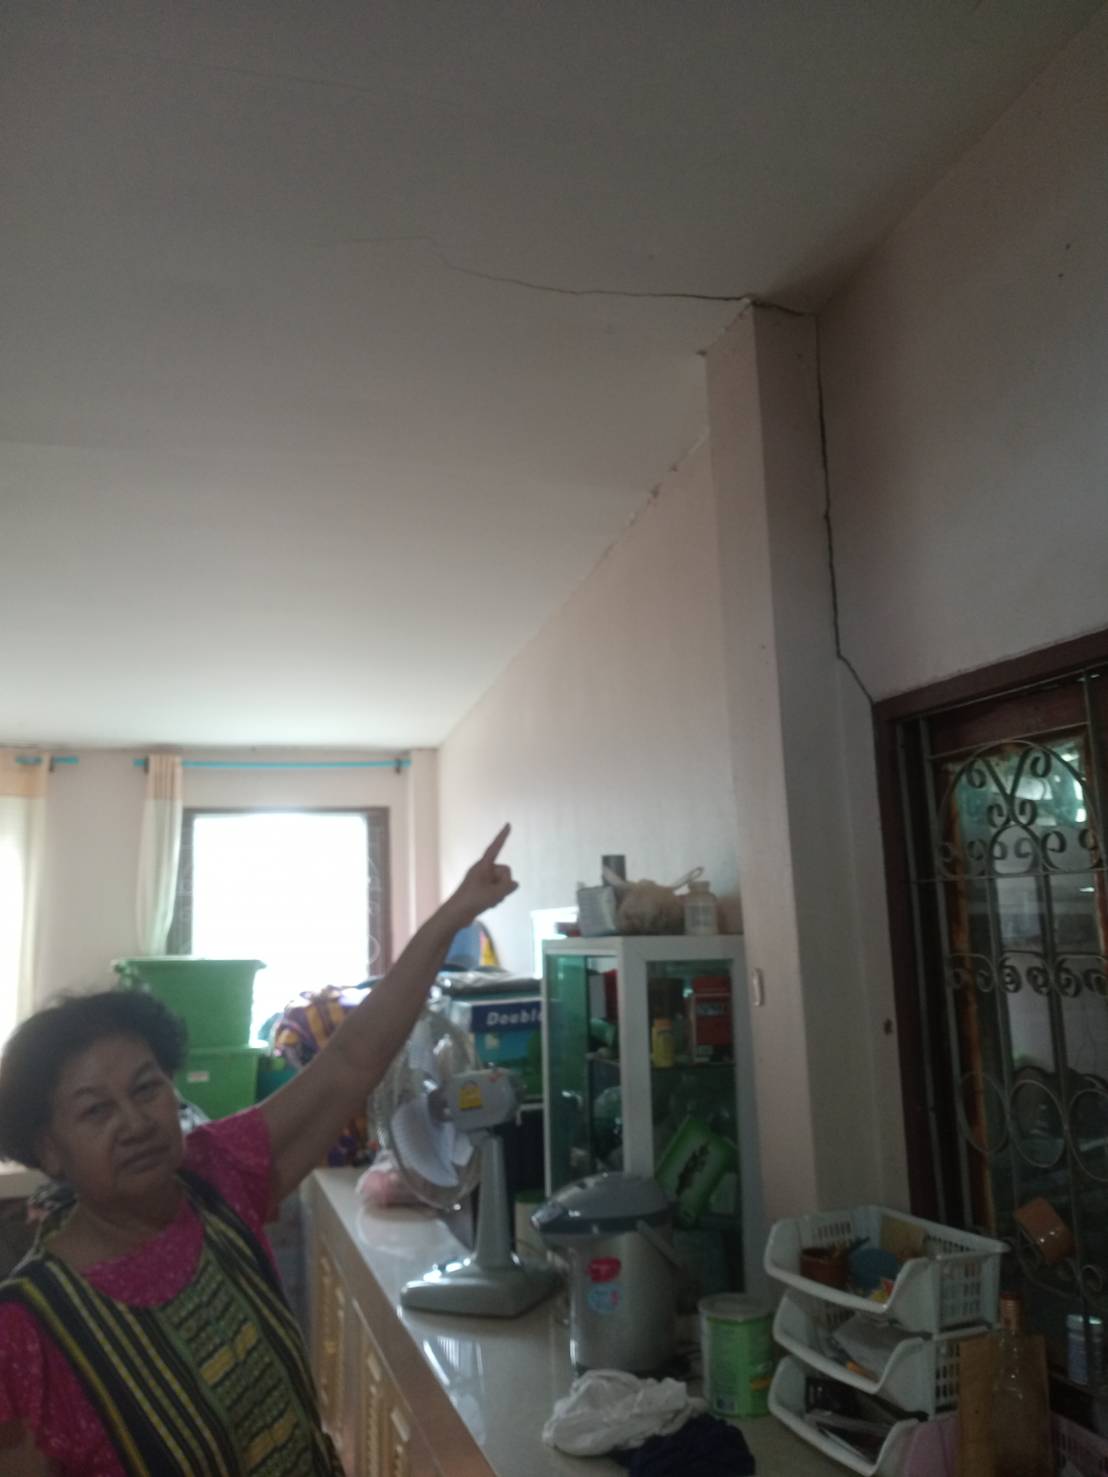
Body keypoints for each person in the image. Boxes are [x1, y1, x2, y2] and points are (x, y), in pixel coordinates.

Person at [0, 826, 518, 1476]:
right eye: (96, 1111)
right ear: (50, 1151)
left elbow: (351, 1060)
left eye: (146, 1087)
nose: (134, 1123)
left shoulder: (215, 1176)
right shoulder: (28, 1329)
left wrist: (452, 915)